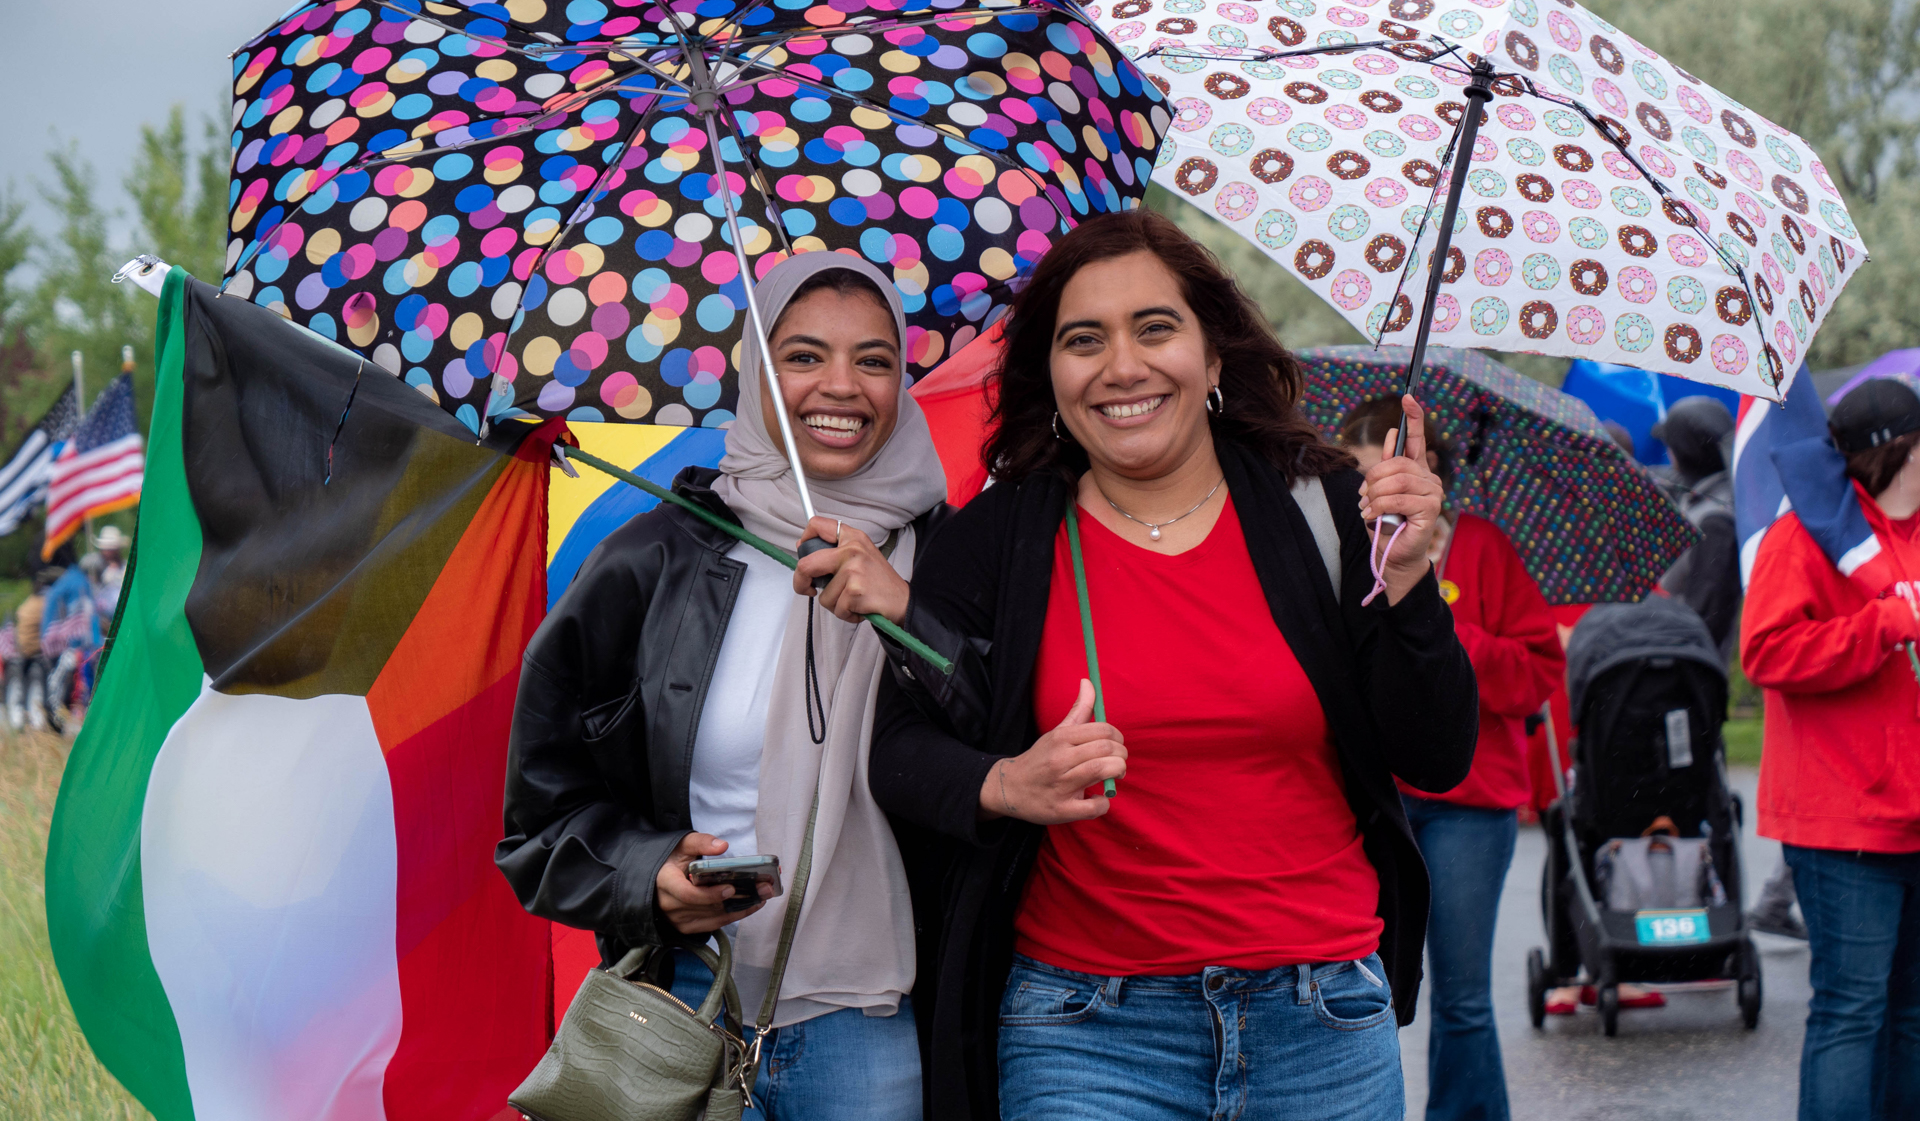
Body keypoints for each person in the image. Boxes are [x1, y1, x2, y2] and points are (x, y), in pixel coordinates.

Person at [870, 209, 1478, 1121]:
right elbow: (898, 746)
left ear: (1215, 357)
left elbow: (1435, 753)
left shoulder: (1335, 511)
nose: (1123, 365)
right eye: (1085, 340)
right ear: (1051, 374)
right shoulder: (996, 541)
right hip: (1085, 1032)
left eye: (1155, 327)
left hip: (1322, 1023)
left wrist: (1409, 585)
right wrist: (1004, 782)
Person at [496, 253, 949, 1121]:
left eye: (876, 359)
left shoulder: (961, 561)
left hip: (874, 1025)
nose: (841, 386)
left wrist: (907, 612)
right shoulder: (652, 559)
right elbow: (538, 822)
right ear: (756, 372)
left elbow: (998, 754)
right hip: (677, 1004)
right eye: (804, 355)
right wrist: (648, 874)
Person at [1340, 397, 1562, 1121]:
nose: (1366, 479)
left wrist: (1436, 624)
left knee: (1463, 996)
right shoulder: (1343, 538)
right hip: (1372, 798)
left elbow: (1538, 675)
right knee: (1355, 990)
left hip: (1473, 801)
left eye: (1370, 459)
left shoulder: (1488, 546)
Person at [1742, 378, 1920, 1120]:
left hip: (1911, 815)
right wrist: (1885, 625)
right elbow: (1768, 654)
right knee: (1851, 1011)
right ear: (1901, 451)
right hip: (1841, 821)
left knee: (1911, 1016)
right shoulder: (1807, 534)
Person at [1651, 397, 1741, 656]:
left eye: (1671, 445)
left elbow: (1704, 618)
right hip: (1672, 656)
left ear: (1684, 451)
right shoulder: (1699, 495)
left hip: (1685, 669)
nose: (1668, 453)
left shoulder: (1716, 521)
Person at [7, 567, 59, 731]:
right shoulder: (44, 605)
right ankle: (49, 716)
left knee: (21, 689)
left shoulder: (26, 604)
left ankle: (22, 719)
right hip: (36, 652)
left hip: (22, 651)